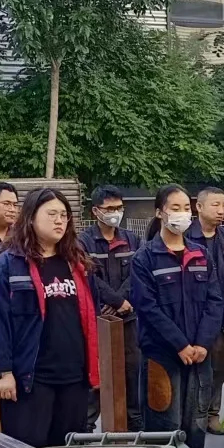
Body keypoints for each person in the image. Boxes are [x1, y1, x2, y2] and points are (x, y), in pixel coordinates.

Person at [0, 187, 101, 448]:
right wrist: (4, 373)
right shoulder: (8, 265)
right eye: (51, 214)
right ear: (31, 217)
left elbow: (91, 315)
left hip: (73, 376)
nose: (60, 221)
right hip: (31, 378)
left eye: (64, 215)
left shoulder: (77, 263)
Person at [130, 185, 224, 448]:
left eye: (186, 208)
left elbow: (215, 301)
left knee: (196, 425)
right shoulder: (145, 258)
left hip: (199, 357)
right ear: (159, 213)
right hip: (163, 358)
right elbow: (148, 308)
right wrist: (180, 345)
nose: (182, 214)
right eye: (175, 208)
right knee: (164, 428)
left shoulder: (200, 255)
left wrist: (202, 344)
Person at [79, 184, 144, 430]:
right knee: (97, 373)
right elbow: (87, 276)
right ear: (96, 211)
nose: (115, 213)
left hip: (128, 318)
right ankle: (86, 427)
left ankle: (134, 423)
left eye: (119, 207)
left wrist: (123, 302)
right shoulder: (83, 242)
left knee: (132, 371)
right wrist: (116, 301)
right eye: (109, 208)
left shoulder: (131, 239)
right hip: (98, 319)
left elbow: (138, 273)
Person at [189, 186, 224, 435]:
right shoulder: (187, 236)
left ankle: (212, 413)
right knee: (197, 368)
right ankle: (195, 413)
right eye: (215, 205)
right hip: (195, 312)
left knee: (220, 366)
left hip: (221, 312)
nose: (221, 210)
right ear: (199, 207)